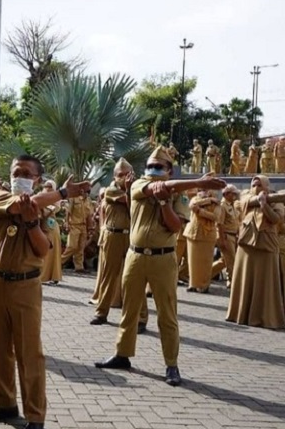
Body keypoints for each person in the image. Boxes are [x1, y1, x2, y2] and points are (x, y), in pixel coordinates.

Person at [0, 154, 91, 429]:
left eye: (27, 173)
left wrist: (31, 225)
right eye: (17, 171)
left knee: (29, 352)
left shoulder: (41, 210)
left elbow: (43, 249)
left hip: (25, 286)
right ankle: (4, 404)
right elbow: (19, 204)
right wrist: (64, 193)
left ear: (38, 180)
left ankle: (35, 415)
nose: (20, 176)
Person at [95, 146, 226, 386]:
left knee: (167, 314)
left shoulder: (181, 197)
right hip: (135, 256)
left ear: (169, 170)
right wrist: (195, 181)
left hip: (163, 259)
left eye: (159, 167)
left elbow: (176, 226)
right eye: (150, 166)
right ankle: (122, 354)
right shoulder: (136, 186)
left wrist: (166, 203)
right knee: (129, 310)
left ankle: (171, 365)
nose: (153, 170)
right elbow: (155, 188)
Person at [89, 159, 149, 332]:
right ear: (114, 176)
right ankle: (101, 313)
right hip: (112, 235)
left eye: (127, 174)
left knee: (136, 277)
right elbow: (128, 201)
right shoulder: (111, 190)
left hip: (131, 236)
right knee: (109, 274)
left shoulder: (136, 188)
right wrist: (132, 189)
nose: (124, 177)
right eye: (120, 175)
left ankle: (141, 318)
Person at [226, 175, 285, 329]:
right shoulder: (245, 195)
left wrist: (264, 204)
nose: (255, 183)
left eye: (259, 182)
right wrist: (258, 200)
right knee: (244, 279)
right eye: (253, 181)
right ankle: (240, 313)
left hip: (267, 245)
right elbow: (239, 204)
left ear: (267, 184)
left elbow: (276, 219)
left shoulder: (276, 200)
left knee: (265, 283)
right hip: (246, 244)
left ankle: (265, 317)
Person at [184, 188, 221, 293]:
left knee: (206, 261)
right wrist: (208, 201)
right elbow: (192, 205)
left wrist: (200, 211)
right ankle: (193, 284)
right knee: (192, 260)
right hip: (193, 233)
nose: (204, 192)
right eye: (202, 190)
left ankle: (204, 285)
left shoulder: (217, 204)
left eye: (207, 190)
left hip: (207, 235)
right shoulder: (196, 199)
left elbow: (215, 217)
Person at [211, 185, 241, 288]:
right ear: (226, 194)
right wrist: (222, 239)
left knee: (225, 260)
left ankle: (206, 274)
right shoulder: (222, 206)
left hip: (233, 236)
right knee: (231, 260)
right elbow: (219, 224)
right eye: (233, 194)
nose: (235, 196)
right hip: (227, 236)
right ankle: (232, 281)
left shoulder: (232, 205)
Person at [60, 186, 93, 273]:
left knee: (80, 248)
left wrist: (90, 227)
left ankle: (79, 267)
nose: (86, 191)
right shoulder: (74, 198)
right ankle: (59, 262)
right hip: (74, 225)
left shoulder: (88, 200)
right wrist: (66, 224)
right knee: (72, 246)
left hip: (83, 226)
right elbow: (68, 212)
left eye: (87, 190)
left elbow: (89, 215)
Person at [39, 180, 63, 285]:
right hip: (43, 226)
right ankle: (42, 276)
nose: (47, 188)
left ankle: (55, 276)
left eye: (50, 186)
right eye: (46, 186)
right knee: (45, 251)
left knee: (55, 251)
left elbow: (55, 208)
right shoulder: (40, 196)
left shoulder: (55, 198)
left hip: (53, 226)